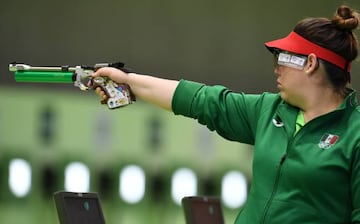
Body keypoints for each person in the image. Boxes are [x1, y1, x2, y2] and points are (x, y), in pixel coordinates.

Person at [91, 5, 360, 223]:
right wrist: (128, 81)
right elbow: (200, 100)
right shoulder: (270, 110)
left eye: (282, 57)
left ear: (310, 63)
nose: (276, 68)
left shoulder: (355, 132)